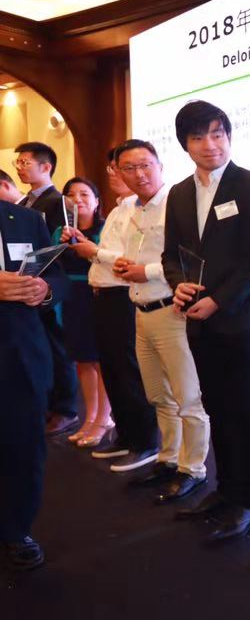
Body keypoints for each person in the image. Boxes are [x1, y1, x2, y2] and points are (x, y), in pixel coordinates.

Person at [162, 101, 250, 540]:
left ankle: (248, 499)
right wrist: (179, 286)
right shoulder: (179, 193)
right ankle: (225, 490)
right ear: (185, 145)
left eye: (217, 133)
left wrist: (219, 301)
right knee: (216, 408)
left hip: (241, 320)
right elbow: (172, 255)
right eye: (198, 137)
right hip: (198, 319)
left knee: (243, 412)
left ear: (228, 135)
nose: (210, 145)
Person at [112, 139, 209, 503]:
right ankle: (168, 460)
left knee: (188, 397)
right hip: (140, 311)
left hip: (172, 310)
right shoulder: (130, 208)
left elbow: (190, 258)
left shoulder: (177, 202)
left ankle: (193, 468)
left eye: (145, 165)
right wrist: (127, 266)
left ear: (160, 165)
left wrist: (146, 271)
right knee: (158, 395)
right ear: (119, 173)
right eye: (129, 168)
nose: (139, 174)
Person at [67, 151, 160, 471]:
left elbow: (126, 259)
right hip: (102, 295)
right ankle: (127, 435)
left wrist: (93, 251)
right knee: (112, 369)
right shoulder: (120, 209)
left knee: (129, 371)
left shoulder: (141, 210)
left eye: (128, 168)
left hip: (122, 295)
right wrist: (90, 248)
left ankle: (145, 441)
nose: (115, 174)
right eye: (116, 168)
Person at [0, 192, 68, 570]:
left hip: (21, 356)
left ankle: (16, 529)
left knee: (23, 449)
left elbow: (57, 276)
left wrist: (46, 290)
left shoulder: (25, 219)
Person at [14, 142, 79, 436]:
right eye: (18, 163)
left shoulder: (57, 202)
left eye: (26, 162)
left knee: (58, 346)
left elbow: (63, 245)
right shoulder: (24, 202)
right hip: (26, 282)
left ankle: (66, 408)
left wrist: (49, 280)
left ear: (46, 166)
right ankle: (49, 403)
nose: (20, 167)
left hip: (50, 281)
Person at [55, 177, 114, 448]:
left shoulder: (106, 227)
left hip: (98, 296)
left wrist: (85, 244)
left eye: (84, 194)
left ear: (96, 201)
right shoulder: (61, 230)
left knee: (101, 360)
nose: (77, 199)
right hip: (71, 299)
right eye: (71, 194)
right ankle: (90, 416)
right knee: (82, 360)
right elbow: (54, 265)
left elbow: (108, 262)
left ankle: (104, 418)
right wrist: (62, 244)